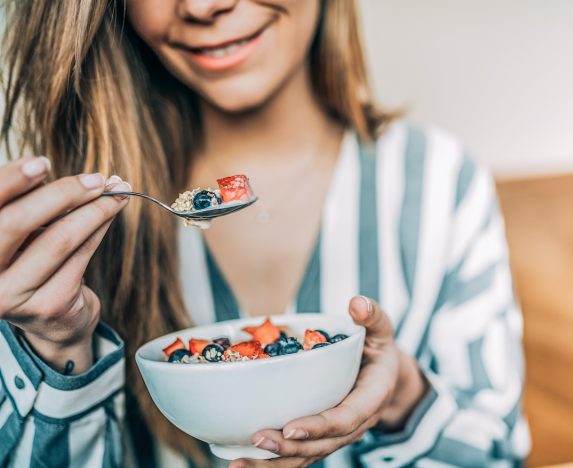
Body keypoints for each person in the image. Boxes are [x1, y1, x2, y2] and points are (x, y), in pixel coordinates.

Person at [0, 1, 530, 466]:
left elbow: (496, 454)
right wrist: (54, 347)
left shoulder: (441, 181)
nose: (204, 6)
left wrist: (399, 397)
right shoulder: (71, 232)